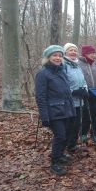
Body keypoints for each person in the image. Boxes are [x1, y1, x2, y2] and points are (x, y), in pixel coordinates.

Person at [35, 45, 75, 176]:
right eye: (54, 55)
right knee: (60, 136)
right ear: (48, 57)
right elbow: (40, 97)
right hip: (54, 111)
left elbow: (67, 92)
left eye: (60, 55)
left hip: (66, 109)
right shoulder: (42, 74)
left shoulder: (61, 71)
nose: (58, 58)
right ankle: (55, 162)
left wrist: (72, 109)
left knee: (67, 135)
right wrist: (44, 116)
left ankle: (60, 154)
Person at [78, 45, 96, 144]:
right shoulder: (79, 65)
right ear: (85, 54)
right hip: (86, 94)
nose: (94, 55)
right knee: (86, 115)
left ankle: (94, 133)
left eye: (94, 53)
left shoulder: (95, 65)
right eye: (92, 53)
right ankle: (83, 133)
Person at [63, 43, 88, 153]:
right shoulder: (63, 65)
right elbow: (62, 83)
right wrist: (73, 92)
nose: (73, 52)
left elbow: (83, 80)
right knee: (69, 125)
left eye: (75, 50)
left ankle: (72, 144)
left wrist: (85, 90)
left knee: (77, 124)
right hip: (69, 102)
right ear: (66, 52)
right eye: (70, 50)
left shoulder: (77, 65)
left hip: (79, 101)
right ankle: (64, 146)